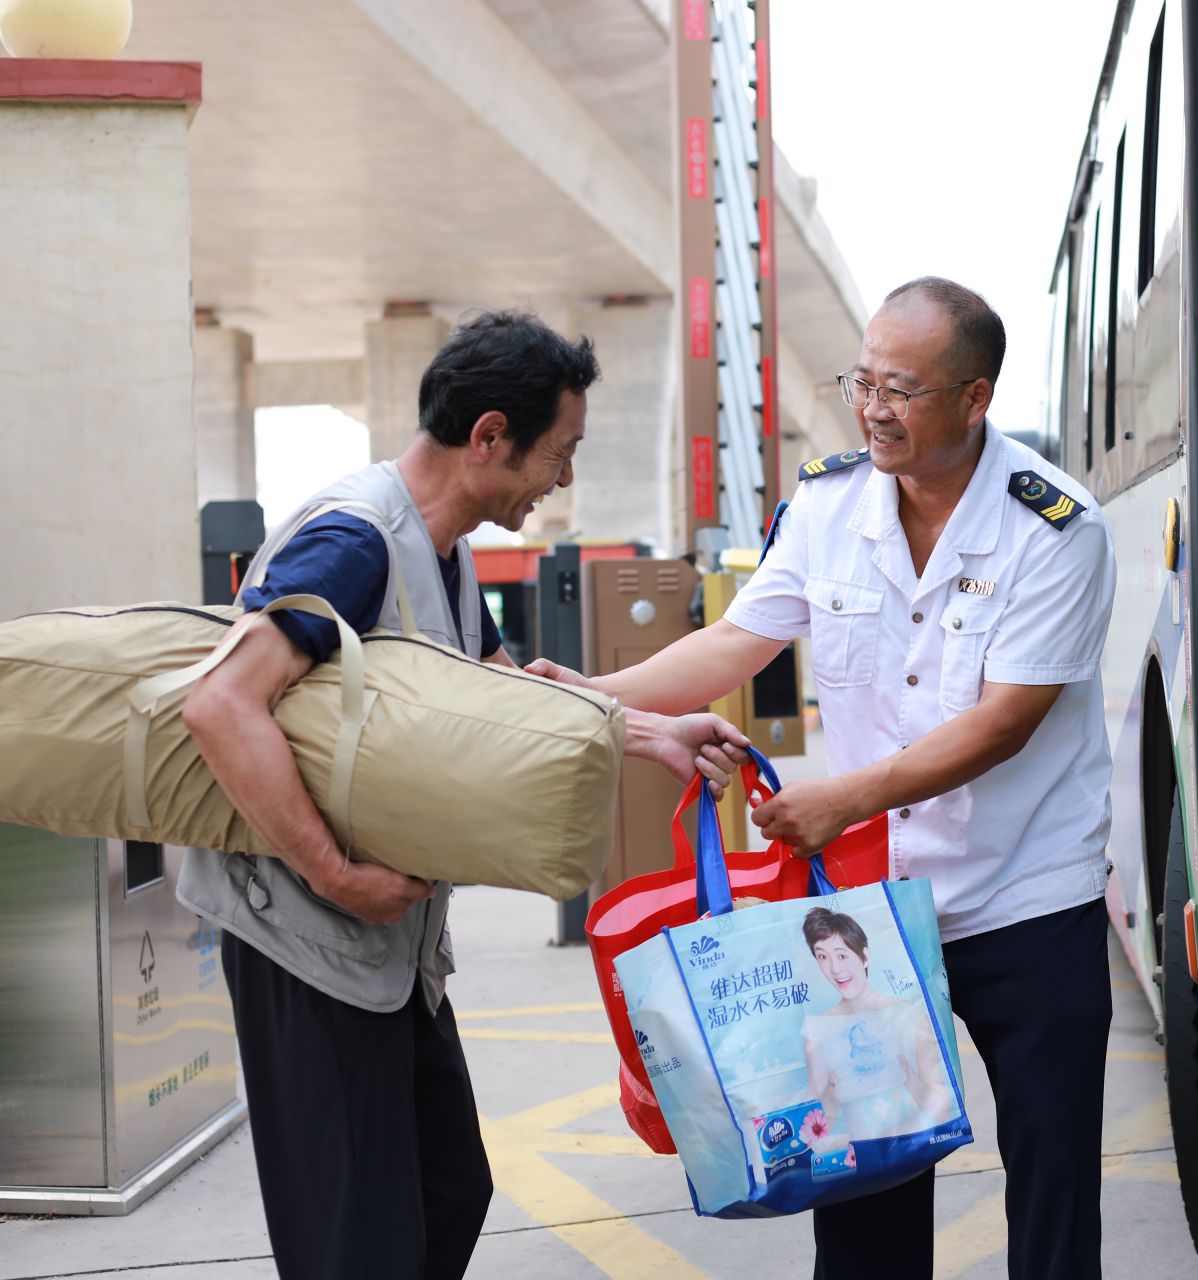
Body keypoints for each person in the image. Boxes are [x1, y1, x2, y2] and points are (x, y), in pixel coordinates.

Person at [530, 278, 1119, 1278]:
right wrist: (593, 696)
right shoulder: (830, 504)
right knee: (865, 1186)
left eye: (901, 389)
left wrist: (841, 800)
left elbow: (1003, 723)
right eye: (862, 380)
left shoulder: (1056, 530)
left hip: (1025, 895)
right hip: (872, 907)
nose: (872, 408)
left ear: (975, 397)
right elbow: (737, 640)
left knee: (1052, 1179)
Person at [176, 310, 749, 1280]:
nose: (562, 479)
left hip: (388, 944)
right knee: (357, 1242)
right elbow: (221, 702)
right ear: (489, 436)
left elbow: (502, 693)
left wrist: (657, 734)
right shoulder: (354, 540)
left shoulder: (445, 548)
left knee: (449, 1187)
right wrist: (335, 873)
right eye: (559, 452)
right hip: (304, 935)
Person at [800, 907, 954, 1143]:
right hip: (859, 1156)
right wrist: (829, 1092)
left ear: (865, 957)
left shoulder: (906, 1014)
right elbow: (819, 1121)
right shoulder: (817, 1029)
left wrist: (909, 1078)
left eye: (842, 955)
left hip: (913, 1145)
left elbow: (941, 1103)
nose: (835, 969)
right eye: (822, 956)